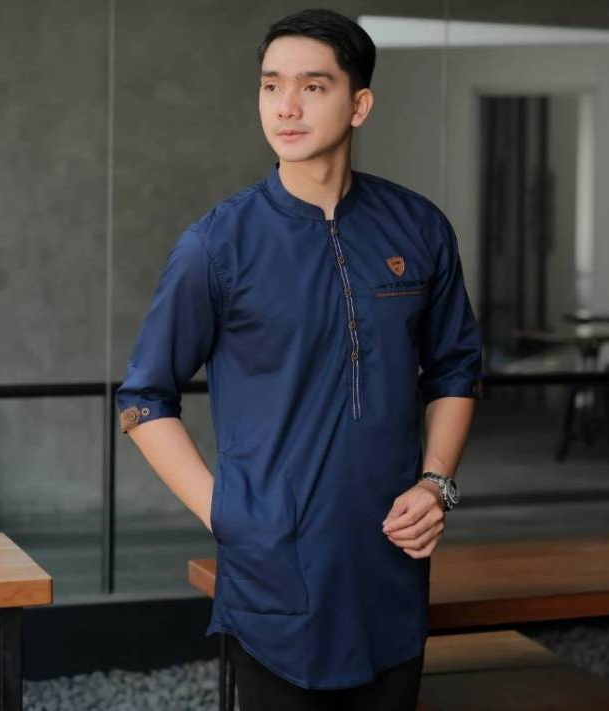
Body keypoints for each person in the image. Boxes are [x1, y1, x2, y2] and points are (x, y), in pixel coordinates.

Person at [116, 7, 483, 710]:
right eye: (270, 86)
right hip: (272, 568)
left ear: (359, 104)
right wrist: (225, 513)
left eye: (312, 86)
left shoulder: (420, 228)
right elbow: (143, 397)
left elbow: (455, 369)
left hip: (390, 561)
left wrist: (436, 483)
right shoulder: (216, 246)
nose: (285, 106)